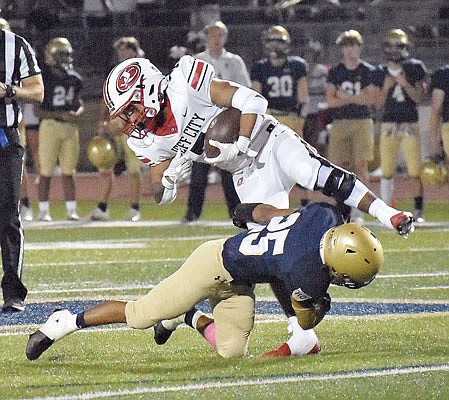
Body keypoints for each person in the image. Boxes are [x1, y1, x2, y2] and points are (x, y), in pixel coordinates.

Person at [99, 55, 415, 356]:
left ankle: (388, 214)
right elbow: (159, 194)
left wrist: (241, 142)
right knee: (272, 246)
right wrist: (168, 182)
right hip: (243, 173)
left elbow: (253, 102)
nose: (129, 119)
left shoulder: (185, 83)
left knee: (311, 171)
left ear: (149, 90)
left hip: (268, 139)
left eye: (131, 108)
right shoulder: (147, 139)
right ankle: (302, 335)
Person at [26, 201, 383, 360]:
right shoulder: (305, 272)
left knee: (231, 351)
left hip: (238, 281)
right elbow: (306, 319)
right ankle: (64, 322)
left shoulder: (323, 215)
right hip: (212, 264)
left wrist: (248, 213)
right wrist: (319, 305)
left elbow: (275, 215)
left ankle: (186, 316)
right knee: (139, 316)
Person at [182, 21, 248, 224]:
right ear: (206, 38)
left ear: (225, 37)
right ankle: (192, 213)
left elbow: (245, 90)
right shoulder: (196, 61)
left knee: (229, 172)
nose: (216, 39)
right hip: (203, 123)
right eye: (212, 35)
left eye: (220, 35)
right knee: (199, 172)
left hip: (227, 123)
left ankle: (236, 213)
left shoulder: (234, 61)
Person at [0, 23, 44, 311]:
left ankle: (13, 292)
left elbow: (37, 91)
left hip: (4, 139)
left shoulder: (15, 45)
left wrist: (8, 90)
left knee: (7, 214)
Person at [251, 25, 310, 208]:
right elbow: (256, 97)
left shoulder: (297, 65)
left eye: (279, 42)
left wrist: (300, 120)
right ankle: (270, 202)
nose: (275, 47)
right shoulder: (260, 67)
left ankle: (304, 201)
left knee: (298, 160)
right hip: (270, 118)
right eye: (272, 42)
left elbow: (303, 97)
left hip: (291, 117)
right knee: (267, 162)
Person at [372, 29, 427, 222]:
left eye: (398, 46)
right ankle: (386, 211)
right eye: (391, 46)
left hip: (410, 124)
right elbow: (377, 103)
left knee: (414, 170)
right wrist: (387, 87)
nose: (395, 50)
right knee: (386, 171)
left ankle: (418, 210)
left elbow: (420, 98)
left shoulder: (415, 67)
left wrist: (404, 84)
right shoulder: (379, 71)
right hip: (388, 124)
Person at [89, 37, 144, 222]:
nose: (122, 53)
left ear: (134, 51)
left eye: (125, 49)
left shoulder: (143, 73)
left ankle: (135, 207)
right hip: (114, 126)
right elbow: (106, 98)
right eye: (120, 50)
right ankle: (102, 206)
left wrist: (129, 121)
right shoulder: (115, 73)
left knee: (134, 169)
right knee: (106, 166)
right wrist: (102, 120)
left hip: (133, 129)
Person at [325, 29, 377, 223]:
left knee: (361, 164)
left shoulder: (368, 71)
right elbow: (330, 101)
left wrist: (346, 97)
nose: (349, 50)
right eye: (345, 46)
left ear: (359, 47)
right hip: (340, 122)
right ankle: (341, 205)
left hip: (362, 121)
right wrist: (356, 99)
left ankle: (360, 206)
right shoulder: (336, 71)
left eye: (352, 45)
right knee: (338, 166)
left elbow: (370, 98)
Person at [35, 37, 84, 222]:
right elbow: (37, 110)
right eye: (62, 55)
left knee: (68, 172)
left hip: (70, 128)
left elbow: (79, 103)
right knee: (46, 171)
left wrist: (77, 114)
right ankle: (43, 210)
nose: (66, 58)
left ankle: (71, 210)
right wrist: (58, 115)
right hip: (50, 126)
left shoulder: (74, 78)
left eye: (67, 55)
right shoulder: (44, 78)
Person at [428, 63, 449, 173]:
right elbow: (436, 109)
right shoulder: (443, 74)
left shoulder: (443, 73)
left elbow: (436, 109)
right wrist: (433, 139)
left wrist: (433, 139)